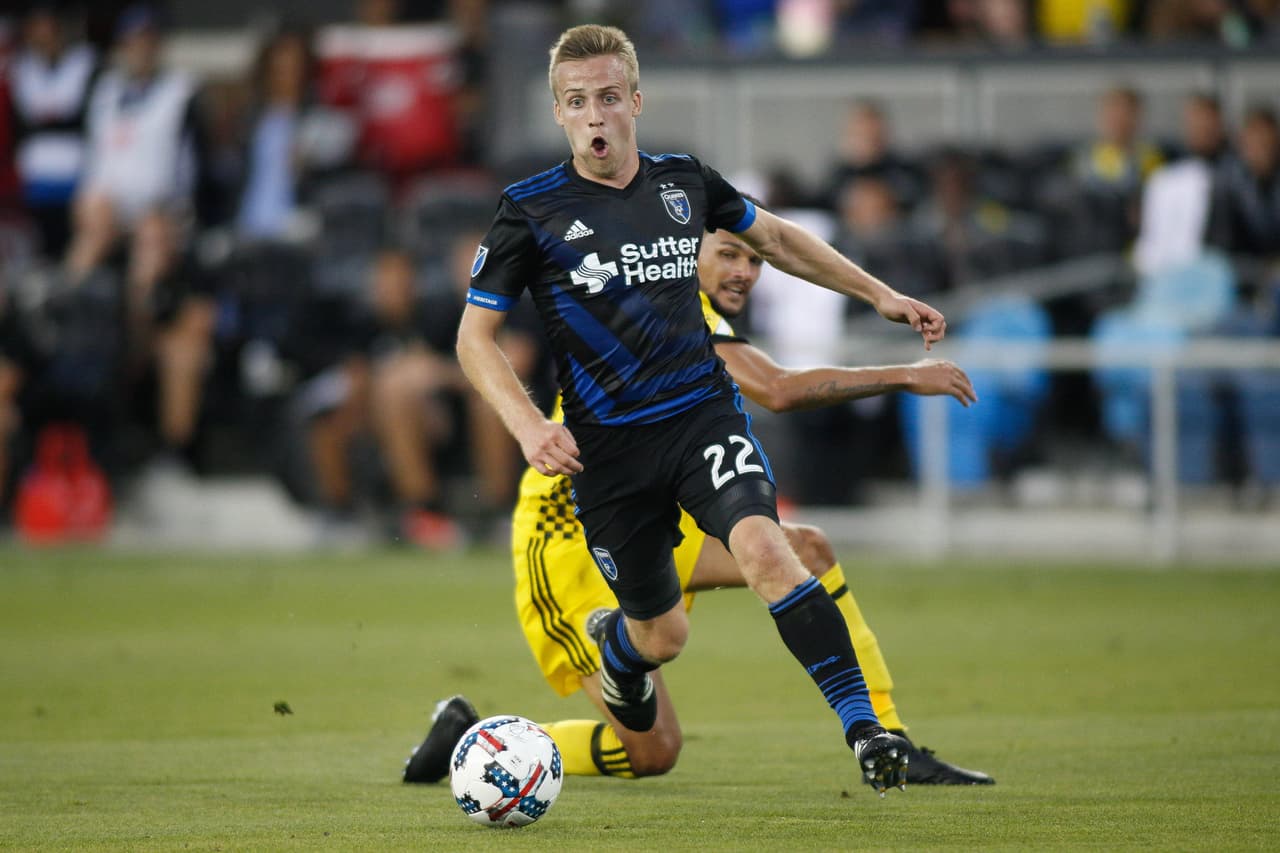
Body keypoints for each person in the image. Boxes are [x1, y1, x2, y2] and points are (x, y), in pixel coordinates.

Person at [452, 22, 949, 797]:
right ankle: (616, 651)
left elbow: (779, 237)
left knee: (774, 549)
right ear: (558, 113)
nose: (595, 116)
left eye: (609, 98)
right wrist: (529, 426)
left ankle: (868, 731)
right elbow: (473, 338)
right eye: (577, 101)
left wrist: (878, 293)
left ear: (637, 101)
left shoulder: (684, 183)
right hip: (607, 458)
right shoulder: (530, 210)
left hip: (700, 423)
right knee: (662, 635)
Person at [405, 219, 993, 787]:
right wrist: (906, 376)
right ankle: (475, 740)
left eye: (756, 259)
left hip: (649, 522)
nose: (745, 271)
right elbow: (775, 388)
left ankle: (888, 739)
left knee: (805, 550)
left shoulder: (689, 306)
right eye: (729, 254)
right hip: (569, 542)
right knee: (652, 751)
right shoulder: (663, 303)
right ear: (687, 250)